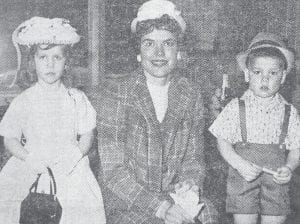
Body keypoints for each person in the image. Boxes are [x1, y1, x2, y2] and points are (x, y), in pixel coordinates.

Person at [91, 0, 219, 223]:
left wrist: (190, 184)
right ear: (138, 52)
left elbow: (194, 159)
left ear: (179, 51)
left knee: (208, 216)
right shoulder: (116, 94)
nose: (159, 52)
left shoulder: (191, 94)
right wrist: (161, 208)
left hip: (173, 197)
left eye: (168, 43)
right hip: (129, 202)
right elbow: (113, 173)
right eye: (149, 43)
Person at [0, 17, 106, 223]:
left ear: (67, 63)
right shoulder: (24, 100)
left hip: (69, 161)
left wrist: (75, 155)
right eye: (43, 57)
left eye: (57, 57)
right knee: (7, 197)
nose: (50, 64)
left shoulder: (76, 98)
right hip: (31, 159)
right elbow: (10, 139)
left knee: (83, 204)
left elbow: (87, 134)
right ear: (33, 62)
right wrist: (29, 159)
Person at [209, 32, 300, 224]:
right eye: (258, 72)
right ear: (247, 74)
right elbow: (222, 140)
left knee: (275, 218)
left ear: (283, 77)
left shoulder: (289, 112)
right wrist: (238, 163)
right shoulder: (235, 106)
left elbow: (296, 146)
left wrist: (289, 167)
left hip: (276, 180)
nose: (265, 80)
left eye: (273, 73)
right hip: (243, 176)